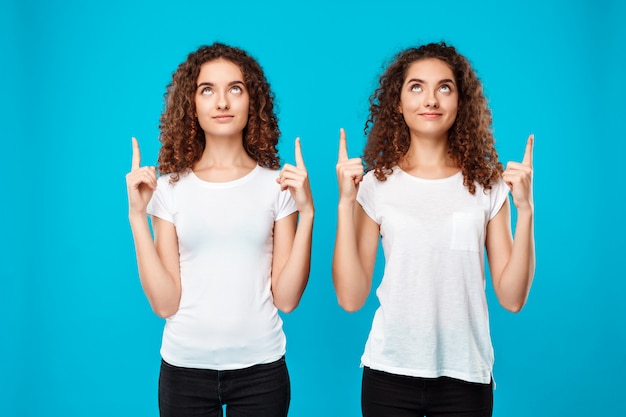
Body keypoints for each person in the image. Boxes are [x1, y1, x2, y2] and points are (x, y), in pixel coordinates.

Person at [333, 42, 535, 417]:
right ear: (397, 102)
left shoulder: (487, 187)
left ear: (461, 102)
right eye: (416, 87)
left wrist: (526, 210)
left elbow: (512, 298)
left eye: (444, 87)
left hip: (466, 376)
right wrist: (346, 204)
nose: (431, 99)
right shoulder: (376, 185)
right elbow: (350, 297)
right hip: (389, 374)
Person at [125, 42, 314, 417]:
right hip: (184, 372)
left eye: (235, 89)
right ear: (191, 105)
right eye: (207, 90)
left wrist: (307, 211)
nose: (222, 102)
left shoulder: (278, 186)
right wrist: (136, 216)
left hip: (262, 371)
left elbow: (288, 299)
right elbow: (165, 303)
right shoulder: (170, 189)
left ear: (252, 102)